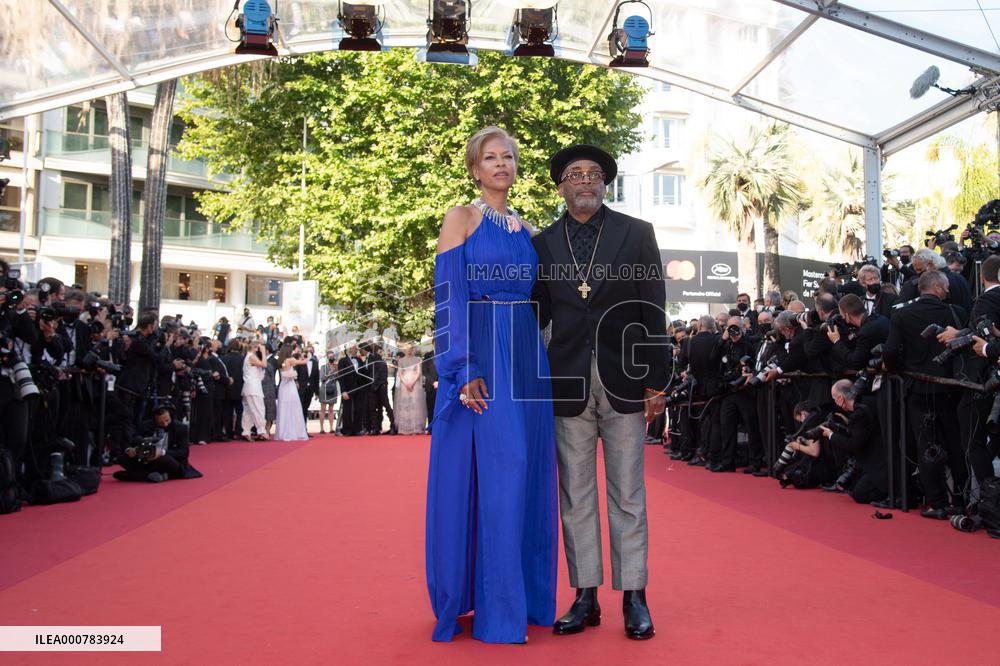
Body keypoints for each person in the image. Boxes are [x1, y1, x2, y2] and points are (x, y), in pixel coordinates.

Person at [426, 126, 557, 644]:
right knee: (505, 472)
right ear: (474, 169)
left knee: (528, 475)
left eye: (508, 157)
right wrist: (461, 367)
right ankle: (495, 613)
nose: (501, 164)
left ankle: (520, 599)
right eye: (490, 157)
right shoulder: (461, 217)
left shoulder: (524, 228)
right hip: (483, 352)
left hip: (527, 356)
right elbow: (447, 295)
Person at [532, 144, 666, 640]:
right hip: (566, 382)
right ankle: (585, 595)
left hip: (626, 380)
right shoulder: (543, 244)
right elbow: (537, 313)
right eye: (575, 175)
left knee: (628, 493)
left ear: (605, 183)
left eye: (594, 174)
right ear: (561, 186)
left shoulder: (636, 234)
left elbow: (654, 307)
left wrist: (657, 378)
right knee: (576, 495)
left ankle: (635, 595)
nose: (585, 181)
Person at [274, 341, 309, 441]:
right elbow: (303, 362)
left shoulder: (280, 360)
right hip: (290, 385)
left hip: (283, 386)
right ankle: (295, 431)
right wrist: (309, 356)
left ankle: (283, 431)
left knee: (284, 408)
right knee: (293, 408)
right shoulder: (290, 359)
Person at [394, 343, 425, 435]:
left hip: (415, 384)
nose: (409, 350)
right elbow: (400, 373)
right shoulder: (401, 361)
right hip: (404, 385)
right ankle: (404, 429)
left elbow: (418, 372)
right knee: (405, 405)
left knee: (415, 405)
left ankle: (415, 428)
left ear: (413, 349)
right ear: (404, 350)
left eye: (410, 348)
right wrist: (406, 383)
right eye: (407, 349)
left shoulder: (417, 359)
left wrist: (412, 382)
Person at [241, 341, 269, 441]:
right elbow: (264, 364)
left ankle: (246, 431)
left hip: (250, 387)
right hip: (253, 387)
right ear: (255, 348)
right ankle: (261, 431)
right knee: (258, 409)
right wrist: (264, 353)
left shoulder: (249, 356)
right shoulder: (251, 357)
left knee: (248, 411)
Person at [318, 351, 339, 434]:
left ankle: (331, 428)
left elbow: (338, 377)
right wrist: (331, 371)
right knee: (323, 409)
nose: (331, 358)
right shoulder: (323, 367)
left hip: (333, 388)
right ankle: (321, 428)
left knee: (331, 409)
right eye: (330, 357)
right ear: (327, 357)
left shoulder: (336, 366)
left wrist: (337, 371)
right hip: (324, 388)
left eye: (332, 356)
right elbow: (322, 378)